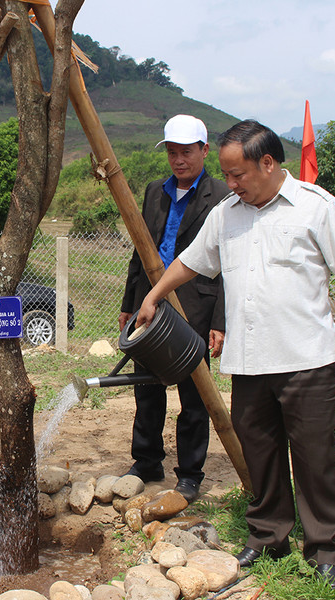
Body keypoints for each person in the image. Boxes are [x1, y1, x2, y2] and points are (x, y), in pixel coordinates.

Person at [136, 120, 335, 589]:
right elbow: (191, 261)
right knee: (260, 455)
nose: (232, 183)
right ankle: (268, 537)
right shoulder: (227, 213)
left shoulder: (317, 208)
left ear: (267, 163)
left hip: (307, 360)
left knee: (314, 458)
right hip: (249, 362)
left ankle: (324, 551)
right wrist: (154, 294)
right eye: (228, 174)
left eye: (238, 174)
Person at [119, 115, 229, 504]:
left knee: (194, 393)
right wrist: (129, 304)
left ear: (204, 151)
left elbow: (226, 264)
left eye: (186, 152)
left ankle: (190, 473)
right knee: (146, 389)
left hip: (197, 305)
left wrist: (219, 322)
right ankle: (147, 460)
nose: (178, 160)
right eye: (172, 152)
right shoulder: (154, 192)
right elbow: (140, 247)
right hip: (151, 304)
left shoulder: (222, 196)